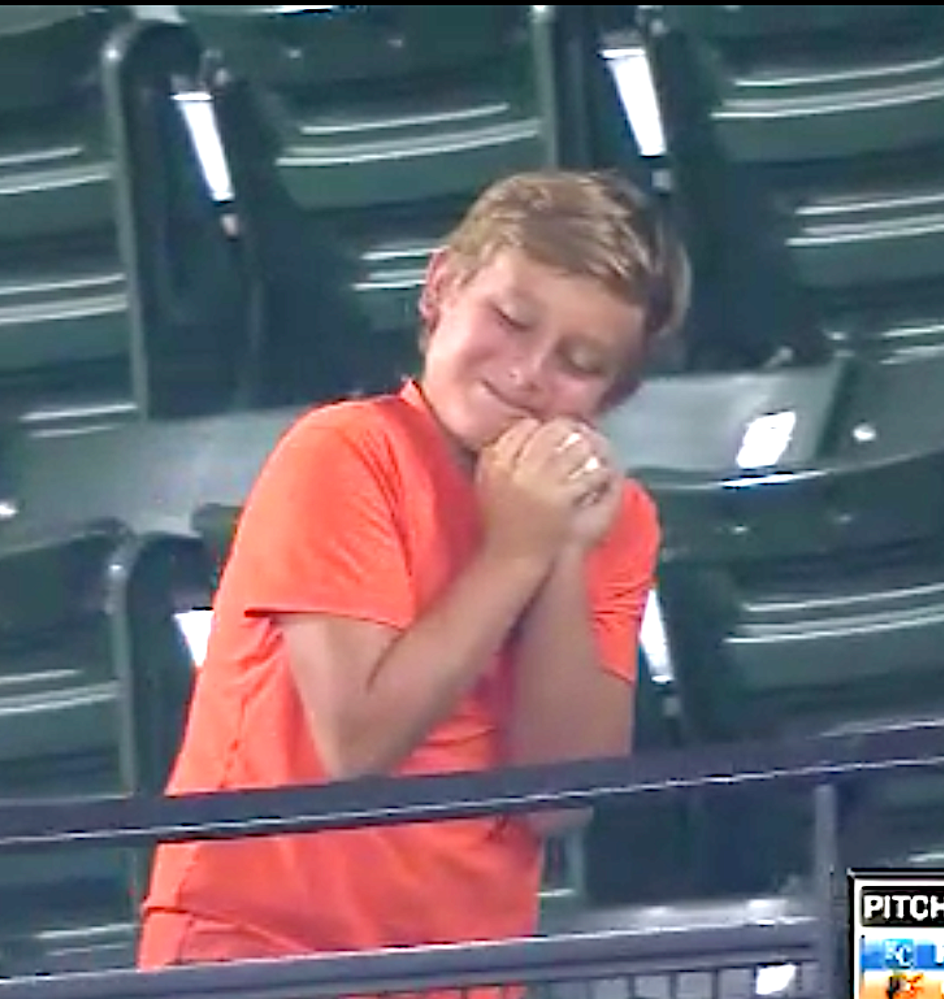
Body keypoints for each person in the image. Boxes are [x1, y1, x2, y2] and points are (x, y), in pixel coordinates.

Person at [137, 168, 692, 969]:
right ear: (441, 290)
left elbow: (559, 799)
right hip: (256, 954)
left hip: (460, 969)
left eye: (579, 361)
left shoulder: (616, 517)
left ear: (609, 399)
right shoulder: (346, 451)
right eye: (509, 319)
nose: (530, 371)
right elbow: (359, 747)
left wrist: (562, 549)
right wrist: (517, 550)